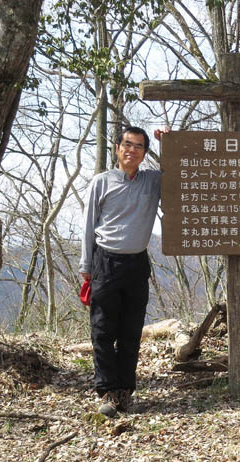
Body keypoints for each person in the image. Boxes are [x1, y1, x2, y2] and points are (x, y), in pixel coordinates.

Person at [79, 125, 167, 417]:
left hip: (137, 262)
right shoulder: (102, 182)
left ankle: (124, 392)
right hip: (105, 261)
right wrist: (86, 267)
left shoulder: (151, 181)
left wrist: (165, 143)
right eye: (127, 144)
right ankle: (106, 390)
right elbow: (88, 226)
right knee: (103, 330)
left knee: (131, 331)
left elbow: (178, 175)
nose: (132, 150)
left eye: (139, 146)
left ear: (144, 153)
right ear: (117, 148)